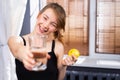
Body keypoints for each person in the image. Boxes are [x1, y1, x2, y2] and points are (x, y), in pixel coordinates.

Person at [8, 2, 77, 80]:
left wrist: (63, 66)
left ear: (56, 29)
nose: (45, 25)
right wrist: (26, 55)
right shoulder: (18, 40)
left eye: (53, 24)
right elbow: (15, 47)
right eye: (45, 18)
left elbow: (59, 78)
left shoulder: (58, 47)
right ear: (38, 15)